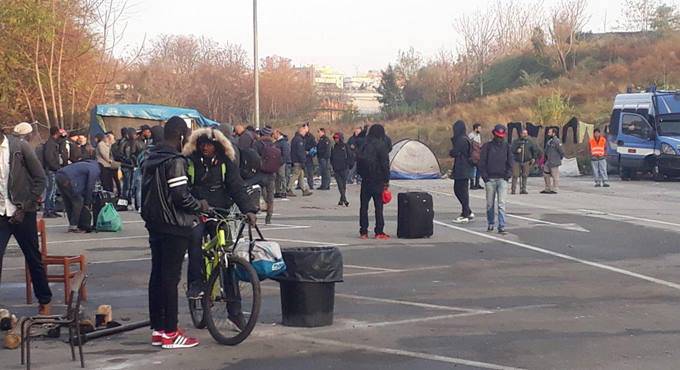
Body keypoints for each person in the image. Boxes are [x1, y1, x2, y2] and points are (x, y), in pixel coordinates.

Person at [141, 116, 208, 349]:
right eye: (187, 136)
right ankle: (171, 331)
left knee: (157, 276)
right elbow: (180, 195)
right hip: (174, 225)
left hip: (154, 224)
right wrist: (199, 205)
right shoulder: (175, 160)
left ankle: (158, 329)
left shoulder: (151, 158)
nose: (188, 141)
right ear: (180, 135)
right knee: (170, 279)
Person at [181, 127, 258, 301]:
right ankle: (195, 284)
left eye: (209, 145)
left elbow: (236, 186)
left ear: (217, 146)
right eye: (202, 144)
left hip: (220, 210)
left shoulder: (226, 162)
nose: (205, 148)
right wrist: (196, 204)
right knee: (195, 239)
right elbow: (183, 189)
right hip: (197, 210)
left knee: (227, 252)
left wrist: (249, 210)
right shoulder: (190, 162)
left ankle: (234, 309)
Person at [0, 130, 51, 315]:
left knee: (33, 257)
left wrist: (25, 206)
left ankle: (45, 300)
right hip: (1, 214)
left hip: (23, 211)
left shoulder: (19, 147)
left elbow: (40, 179)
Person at [356, 124, 390, 240]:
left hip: (366, 180)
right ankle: (379, 231)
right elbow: (385, 164)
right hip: (378, 180)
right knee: (378, 207)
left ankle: (363, 231)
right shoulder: (381, 145)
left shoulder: (364, 144)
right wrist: (386, 180)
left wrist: (361, 175)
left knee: (364, 206)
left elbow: (359, 160)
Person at [479, 125, 513, 234]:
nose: (500, 138)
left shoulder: (507, 147)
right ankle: (490, 223)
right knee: (490, 203)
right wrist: (485, 177)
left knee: (501, 203)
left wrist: (508, 175)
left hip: (502, 179)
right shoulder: (487, 147)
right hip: (490, 179)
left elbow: (511, 162)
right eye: (498, 136)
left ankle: (502, 225)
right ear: (494, 134)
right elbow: (482, 162)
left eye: (501, 136)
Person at [247, 126, 280, 224]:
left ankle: (254, 214)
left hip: (259, 173)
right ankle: (269, 217)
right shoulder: (274, 145)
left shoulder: (257, 144)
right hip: (271, 173)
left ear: (261, 134)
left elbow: (252, 156)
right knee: (270, 197)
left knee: (255, 192)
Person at [55, 160, 100, 233]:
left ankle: (72, 224)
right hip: (68, 179)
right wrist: (87, 202)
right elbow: (90, 186)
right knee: (78, 201)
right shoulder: (95, 169)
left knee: (68, 201)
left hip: (59, 175)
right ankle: (74, 226)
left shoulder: (84, 164)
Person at [450, 120, 474, 223]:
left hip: (462, 169)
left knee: (460, 191)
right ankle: (467, 210)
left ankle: (465, 213)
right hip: (466, 168)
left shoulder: (461, 140)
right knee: (461, 191)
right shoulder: (466, 138)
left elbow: (454, 152)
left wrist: (452, 149)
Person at [41, 127, 63, 218]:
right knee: (51, 190)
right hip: (51, 170)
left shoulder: (54, 143)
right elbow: (49, 157)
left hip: (53, 169)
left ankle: (52, 209)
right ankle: (48, 210)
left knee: (53, 191)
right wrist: (55, 167)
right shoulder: (50, 144)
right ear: (56, 133)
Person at [510, 129, 540, 195]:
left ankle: (523, 189)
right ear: (521, 134)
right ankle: (513, 190)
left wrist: (534, 158)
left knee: (525, 175)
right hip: (517, 161)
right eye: (524, 133)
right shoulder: (516, 141)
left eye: (526, 133)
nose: (525, 135)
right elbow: (511, 150)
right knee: (515, 175)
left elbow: (534, 150)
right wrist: (516, 151)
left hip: (526, 161)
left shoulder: (530, 142)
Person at [287, 125, 313, 197]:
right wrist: (303, 161)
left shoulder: (295, 139)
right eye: (304, 131)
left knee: (301, 175)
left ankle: (304, 190)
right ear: (301, 130)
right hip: (298, 161)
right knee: (296, 175)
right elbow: (300, 152)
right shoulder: (299, 140)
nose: (305, 133)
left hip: (296, 160)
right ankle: (288, 189)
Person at [330, 132, 352, 207]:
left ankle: (341, 200)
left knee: (343, 185)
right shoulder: (333, 147)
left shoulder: (345, 146)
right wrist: (332, 166)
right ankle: (345, 200)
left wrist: (349, 165)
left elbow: (350, 156)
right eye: (335, 138)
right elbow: (331, 158)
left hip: (344, 168)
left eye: (337, 138)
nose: (336, 139)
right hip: (336, 169)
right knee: (340, 185)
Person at [541, 127, 564, 194]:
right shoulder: (549, 141)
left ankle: (555, 189)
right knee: (546, 175)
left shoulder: (557, 141)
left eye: (549, 132)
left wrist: (559, 158)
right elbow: (546, 151)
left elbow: (561, 151)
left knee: (555, 176)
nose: (548, 133)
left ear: (553, 133)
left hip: (554, 161)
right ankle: (547, 188)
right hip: (548, 161)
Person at [273, 129, 291, 198]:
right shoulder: (277, 142)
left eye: (274, 134)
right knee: (277, 177)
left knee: (282, 176)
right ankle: (278, 191)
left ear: (278, 133)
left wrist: (281, 161)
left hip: (281, 163)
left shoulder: (283, 143)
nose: (273, 135)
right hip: (276, 162)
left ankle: (284, 191)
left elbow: (285, 153)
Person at [468, 123, 483, 190]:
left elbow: (479, 144)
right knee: (471, 169)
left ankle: (477, 183)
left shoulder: (478, 135)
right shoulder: (471, 135)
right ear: (475, 128)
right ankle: (472, 184)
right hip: (472, 155)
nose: (480, 130)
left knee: (479, 169)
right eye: (479, 128)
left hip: (478, 154)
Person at [303, 124, 317, 190]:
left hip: (308, 156)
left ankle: (311, 184)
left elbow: (314, 147)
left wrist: (309, 152)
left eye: (306, 128)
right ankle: (299, 185)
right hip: (302, 155)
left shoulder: (311, 137)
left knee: (309, 171)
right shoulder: (301, 136)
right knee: (300, 171)